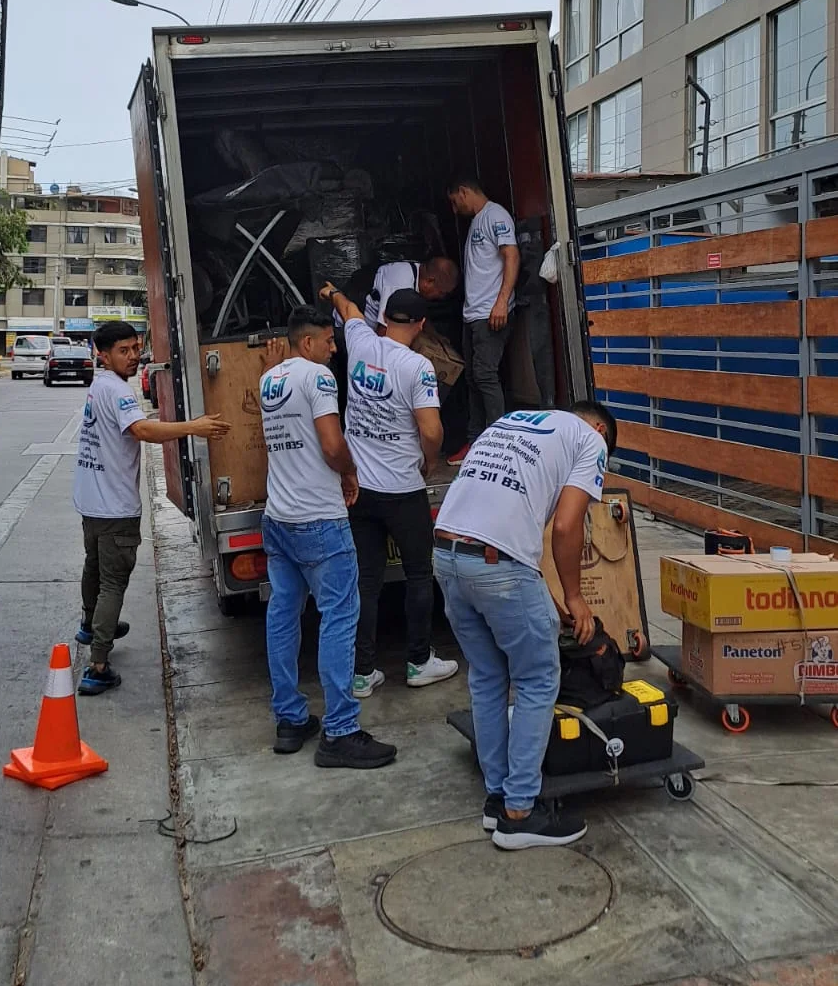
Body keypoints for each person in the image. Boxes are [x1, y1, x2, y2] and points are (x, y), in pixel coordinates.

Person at [433, 401, 616, 850]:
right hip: (499, 566)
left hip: (447, 555)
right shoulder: (590, 439)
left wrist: (541, 591)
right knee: (537, 677)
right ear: (598, 428)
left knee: (489, 676)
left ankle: (497, 800)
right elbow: (566, 526)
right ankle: (521, 812)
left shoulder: (512, 422)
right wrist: (575, 598)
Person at [259, 305, 397, 770]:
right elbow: (332, 445)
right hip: (319, 519)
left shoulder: (270, 379)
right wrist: (351, 471)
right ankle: (340, 731)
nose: (334, 349)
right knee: (339, 618)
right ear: (307, 343)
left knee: (283, 616)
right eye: (329, 341)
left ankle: (290, 718)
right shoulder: (318, 379)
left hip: (278, 517)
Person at [74, 320, 230, 696]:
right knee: (113, 582)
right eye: (123, 351)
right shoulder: (119, 393)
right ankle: (98, 665)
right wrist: (192, 426)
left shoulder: (99, 386)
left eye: (134, 348)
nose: (133, 356)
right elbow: (142, 431)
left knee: (94, 568)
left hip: (91, 503)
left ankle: (91, 623)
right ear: (103, 354)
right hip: (115, 508)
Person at [321, 282, 458, 696]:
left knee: (366, 580)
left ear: (383, 319)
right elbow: (431, 428)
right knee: (419, 573)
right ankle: (418, 662)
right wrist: (429, 458)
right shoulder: (417, 367)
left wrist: (331, 294)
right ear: (420, 324)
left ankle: (362, 673)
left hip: (359, 488)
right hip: (402, 489)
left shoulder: (360, 342)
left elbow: (348, 308)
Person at [446, 177, 520, 465]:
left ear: (464, 192)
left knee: (486, 375)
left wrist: (502, 301)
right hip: (473, 313)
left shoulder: (495, 215)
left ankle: (498, 443)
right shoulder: (478, 221)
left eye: (454, 201)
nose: (454, 209)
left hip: (491, 312)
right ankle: (476, 439)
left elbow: (511, 256)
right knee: (474, 377)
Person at [363, 256, 459, 333]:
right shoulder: (400, 285)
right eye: (441, 293)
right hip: (366, 332)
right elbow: (384, 330)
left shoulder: (417, 272)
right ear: (429, 281)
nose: (441, 297)